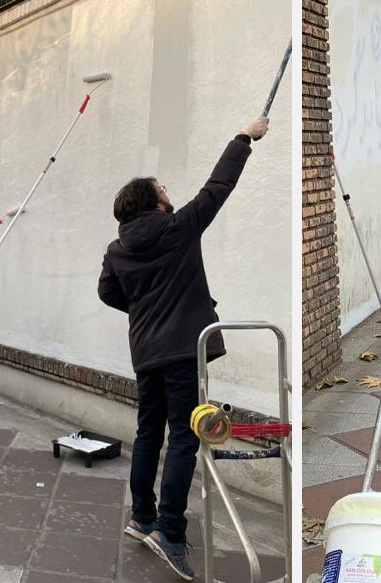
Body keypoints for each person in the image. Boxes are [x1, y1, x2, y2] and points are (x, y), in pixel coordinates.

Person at [98, 115, 269, 580]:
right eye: (164, 189)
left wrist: (143, 310)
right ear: (156, 202)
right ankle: (170, 533)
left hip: (146, 353)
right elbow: (218, 187)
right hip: (182, 352)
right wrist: (243, 139)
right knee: (184, 437)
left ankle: (142, 517)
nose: (170, 193)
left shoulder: (117, 250)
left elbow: (108, 294)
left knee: (149, 433)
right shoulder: (177, 228)